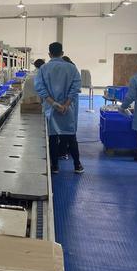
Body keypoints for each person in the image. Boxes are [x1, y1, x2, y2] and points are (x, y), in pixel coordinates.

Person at [35, 42, 84, 174]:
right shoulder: (72, 68)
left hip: (51, 109)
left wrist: (53, 104)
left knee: (52, 138)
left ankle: (55, 166)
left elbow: (40, 88)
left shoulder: (43, 69)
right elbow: (76, 88)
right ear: (62, 53)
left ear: (49, 54)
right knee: (71, 137)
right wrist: (66, 105)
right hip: (67, 110)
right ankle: (77, 165)